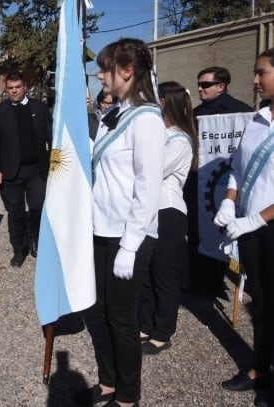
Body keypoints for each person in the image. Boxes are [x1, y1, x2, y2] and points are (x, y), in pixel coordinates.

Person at [88, 38, 166, 407]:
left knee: (122, 319)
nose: (101, 75)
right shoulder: (110, 116)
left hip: (128, 236)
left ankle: (128, 395)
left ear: (127, 71)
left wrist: (130, 246)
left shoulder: (148, 120)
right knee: (97, 311)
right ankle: (108, 381)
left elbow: (148, 190)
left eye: (106, 68)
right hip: (101, 229)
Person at [215, 48, 274, 407]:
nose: (254, 80)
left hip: (265, 226)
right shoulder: (256, 120)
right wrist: (228, 201)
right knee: (262, 303)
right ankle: (258, 368)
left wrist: (255, 219)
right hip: (251, 230)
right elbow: (237, 168)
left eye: (261, 73)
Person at [138, 81, 197, 355]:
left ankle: (163, 331)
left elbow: (153, 170)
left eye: (156, 99)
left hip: (168, 212)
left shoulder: (180, 139)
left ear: (165, 102)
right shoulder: (157, 133)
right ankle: (145, 323)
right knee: (147, 272)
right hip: (147, 210)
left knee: (164, 274)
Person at [186, 66, 254, 295]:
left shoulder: (243, 114)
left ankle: (221, 278)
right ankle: (201, 282)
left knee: (225, 233)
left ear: (221, 86)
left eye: (205, 85)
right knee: (197, 232)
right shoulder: (194, 114)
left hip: (229, 186)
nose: (199, 89)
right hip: (198, 183)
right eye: (199, 84)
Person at [0, 71, 52, 267]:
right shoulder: (0, 110)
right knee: (15, 213)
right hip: (10, 173)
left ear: (25, 87)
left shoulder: (40, 108)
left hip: (36, 171)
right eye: (10, 88)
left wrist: (55, 168)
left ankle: (35, 242)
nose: (14, 91)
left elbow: (52, 138)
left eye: (18, 87)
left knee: (37, 209)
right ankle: (19, 249)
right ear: (7, 90)